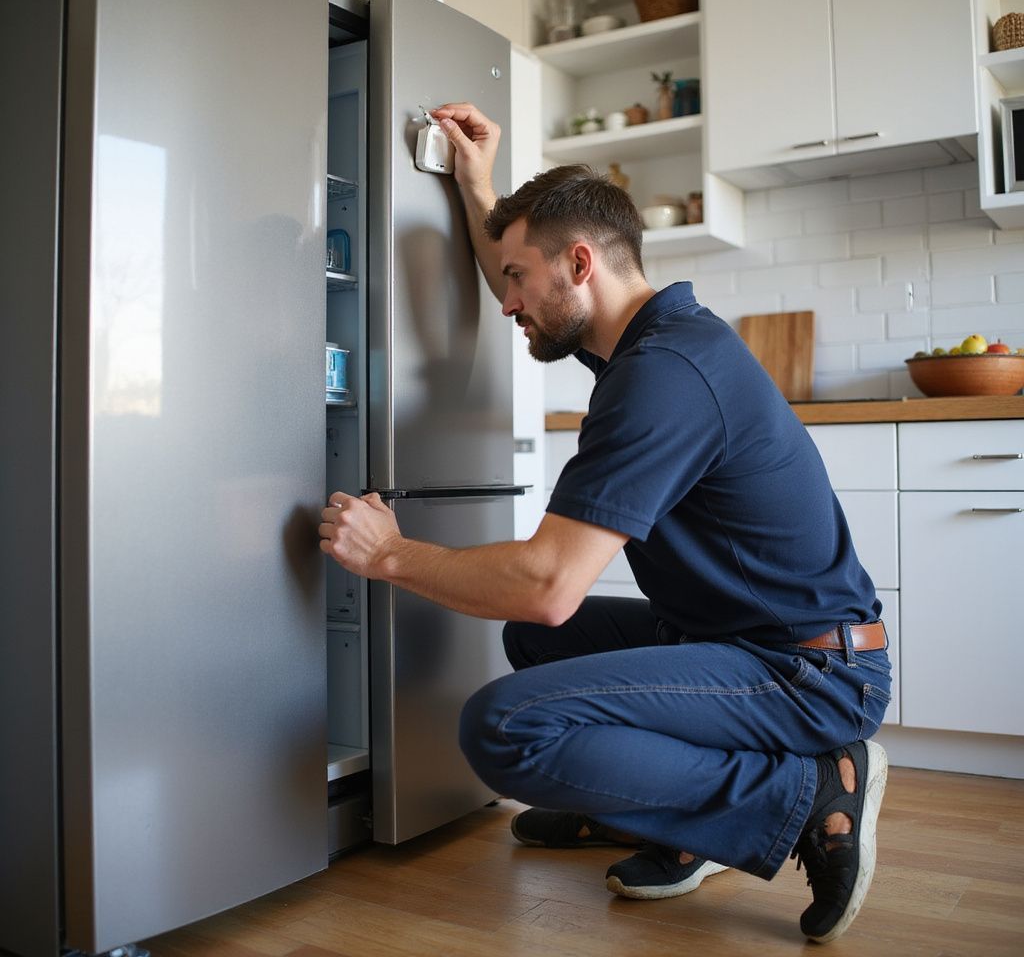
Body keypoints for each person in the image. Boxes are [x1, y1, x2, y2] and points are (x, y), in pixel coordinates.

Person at [318, 102, 891, 944]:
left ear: (579, 263)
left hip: (805, 670)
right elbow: (531, 270)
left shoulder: (661, 375)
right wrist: (477, 185)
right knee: (538, 646)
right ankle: (672, 820)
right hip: (738, 640)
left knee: (505, 724)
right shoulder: (642, 336)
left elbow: (549, 585)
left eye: (516, 280)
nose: (506, 302)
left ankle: (804, 794)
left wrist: (393, 554)